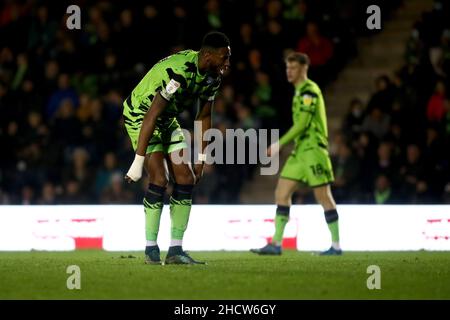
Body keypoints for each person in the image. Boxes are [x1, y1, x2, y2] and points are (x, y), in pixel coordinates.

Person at [123, 32, 231, 264]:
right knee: (160, 178)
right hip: (141, 116)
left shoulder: (213, 77)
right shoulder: (178, 73)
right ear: (208, 55)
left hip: (167, 118)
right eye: (224, 57)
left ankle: (176, 251)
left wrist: (201, 157)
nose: (227, 63)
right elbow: (151, 115)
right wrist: (137, 162)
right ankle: (151, 248)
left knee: (186, 177)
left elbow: (203, 116)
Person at [251, 52, 342, 256]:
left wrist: (278, 144)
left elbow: (302, 124)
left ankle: (336, 246)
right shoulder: (299, 92)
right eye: (287, 68)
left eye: (293, 68)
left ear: (303, 69)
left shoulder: (309, 91)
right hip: (300, 151)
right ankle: (275, 243)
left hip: (313, 150)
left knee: (323, 197)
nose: (289, 72)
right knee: (281, 193)